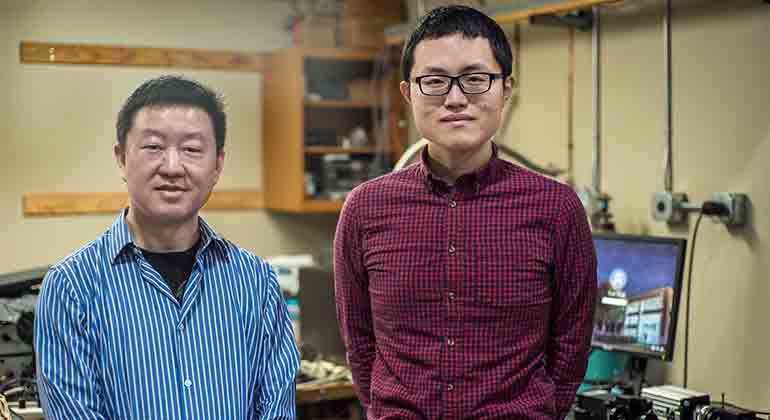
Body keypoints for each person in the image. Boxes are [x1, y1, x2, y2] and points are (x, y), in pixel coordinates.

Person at [334, 5, 597, 419]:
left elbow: (570, 348)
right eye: (435, 81)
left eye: (475, 79)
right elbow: (360, 344)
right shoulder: (365, 209)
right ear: (409, 93)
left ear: (506, 88)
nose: (455, 99)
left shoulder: (557, 209)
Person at [34, 75, 300, 419]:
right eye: (153, 147)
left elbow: (277, 410)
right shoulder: (72, 288)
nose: (172, 167)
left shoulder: (256, 282)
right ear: (121, 158)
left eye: (191, 149)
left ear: (217, 164)